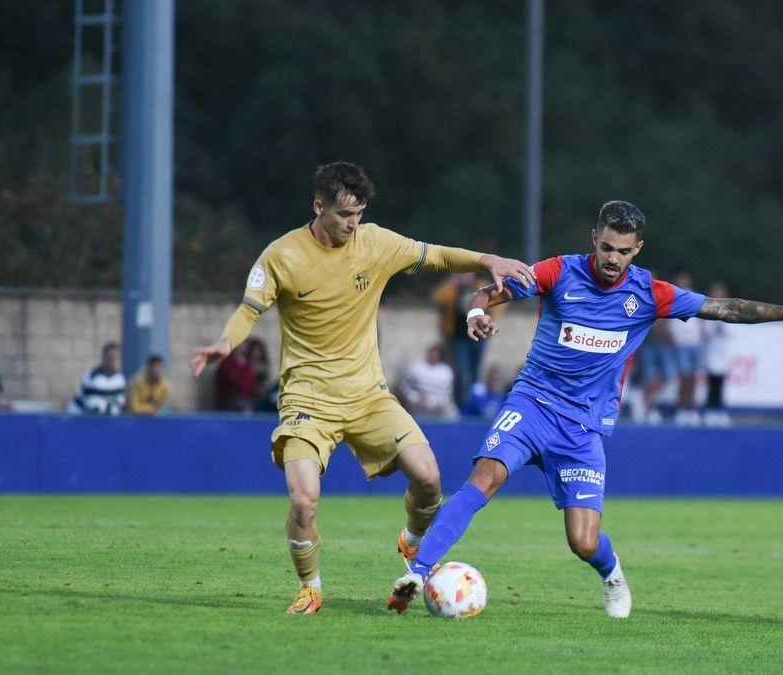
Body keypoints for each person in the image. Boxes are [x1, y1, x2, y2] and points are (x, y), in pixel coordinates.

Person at [387, 200, 783, 617]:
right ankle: (420, 569)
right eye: (607, 247)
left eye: (623, 251)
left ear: (638, 249)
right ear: (595, 238)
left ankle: (611, 573)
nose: (613, 259)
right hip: (531, 403)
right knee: (483, 478)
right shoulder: (558, 271)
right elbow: (490, 292)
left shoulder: (650, 294)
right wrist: (476, 312)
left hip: (584, 429)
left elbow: (724, 308)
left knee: (583, 541)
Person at [188, 161, 533, 616]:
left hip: (368, 395)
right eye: (345, 214)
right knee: (304, 500)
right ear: (319, 207)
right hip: (307, 400)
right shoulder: (281, 256)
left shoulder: (375, 243)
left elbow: (436, 256)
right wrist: (224, 343)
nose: (354, 224)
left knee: (429, 477)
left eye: (360, 214)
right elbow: (248, 311)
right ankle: (310, 587)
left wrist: (485, 260)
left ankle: (411, 542)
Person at [432, 272, 504, 407]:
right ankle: (461, 405)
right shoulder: (453, 289)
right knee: (461, 372)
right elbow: (438, 296)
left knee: (476, 372)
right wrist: (452, 283)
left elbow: (498, 299)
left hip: (480, 337)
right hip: (459, 338)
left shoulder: (481, 285)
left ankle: (474, 405)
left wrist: (491, 319)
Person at [667, 269, 704, 425]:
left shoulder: (695, 297)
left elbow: (701, 319)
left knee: (693, 379)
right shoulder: (673, 298)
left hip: (695, 343)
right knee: (683, 378)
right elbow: (670, 323)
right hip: (682, 344)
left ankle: (692, 409)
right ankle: (682, 409)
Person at [699, 281, 734, 427]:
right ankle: (710, 411)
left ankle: (719, 410)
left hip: (722, 353)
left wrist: (722, 329)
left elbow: (731, 331)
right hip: (710, 353)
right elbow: (704, 332)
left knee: (720, 384)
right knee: (711, 383)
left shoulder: (729, 311)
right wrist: (714, 330)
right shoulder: (708, 311)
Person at [398, 344, 456, 419]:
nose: (433, 356)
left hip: (440, 411)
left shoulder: (446, 371)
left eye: (435, 355)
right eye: (431, 354)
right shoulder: (416, 368)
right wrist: (413, 398)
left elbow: (448, 394)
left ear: (439, 356)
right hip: (419, 408)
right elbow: (404, 385)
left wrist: (436, 403)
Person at [67, 342, 126, 415]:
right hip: (80, 415)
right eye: (110, 357)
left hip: (104, 417)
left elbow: (119, 401)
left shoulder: (120, 378)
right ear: (103, 357)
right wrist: (109, 408)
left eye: (116, 357)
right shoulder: (92, 377)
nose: (113, 360)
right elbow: (90, 404)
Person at [215, 343, 257, 413]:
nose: (241, 347)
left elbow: (251, 383)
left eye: (243, 344)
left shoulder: (248, 363)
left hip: (247, 400)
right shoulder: (226, 363)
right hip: (231, 401)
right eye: (239, 344)